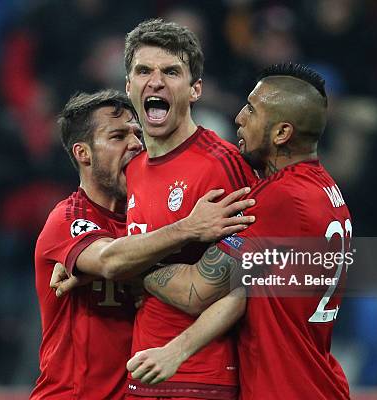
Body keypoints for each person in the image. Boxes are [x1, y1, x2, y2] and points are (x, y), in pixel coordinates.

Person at [129, 63, 352, 399]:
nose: (239, 118)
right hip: (316, 381)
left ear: (281, 133)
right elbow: (246, 291)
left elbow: (196, 291)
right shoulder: (325, 192)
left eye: (252, 109)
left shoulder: (281, 199)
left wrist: (123, 260)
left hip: (287, 389)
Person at [31, 89, 254, 400]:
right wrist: (189, 227)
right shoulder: (67, 220)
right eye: (118, 136)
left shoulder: (145, 221)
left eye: (137, 133)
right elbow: (111, 260)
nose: (135, 144)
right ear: (83, 153)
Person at [122, 19, 258, 399]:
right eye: (144, 70)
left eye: (171, 72)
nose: (156, 81)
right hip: (142, 372)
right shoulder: (131, 168)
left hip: (201, 376)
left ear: (195, 89)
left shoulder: (221, 165)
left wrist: (177, 351)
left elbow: (244, 288)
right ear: (128, 86)